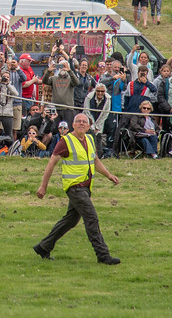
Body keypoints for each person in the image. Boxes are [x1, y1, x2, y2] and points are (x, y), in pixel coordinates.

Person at [34, 113, 120, 264]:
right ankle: (103, 255)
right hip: (74, 187)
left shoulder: (90, 139)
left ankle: (43, 246)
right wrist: (43, 187)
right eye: (78, 121)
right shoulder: (65, 141)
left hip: (86, 187)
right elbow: (51, 164)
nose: (81, 124)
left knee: (71, 220)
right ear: (72, 125)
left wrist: (109, 175)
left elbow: (95, 161)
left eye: (84, 122)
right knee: (91, 217)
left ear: (88, 126)